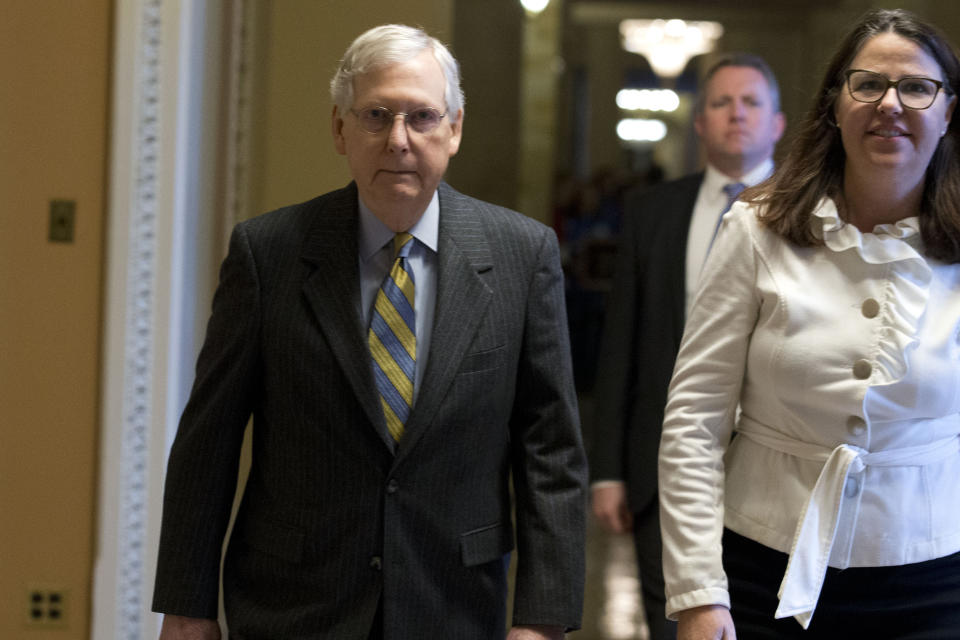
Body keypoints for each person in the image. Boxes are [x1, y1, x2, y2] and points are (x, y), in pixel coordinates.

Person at [151, 24, 587, 640]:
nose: (399, 140)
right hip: (293, 606)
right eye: (376, 115)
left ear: (455, 128)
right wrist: (187, 605)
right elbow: (208, 441)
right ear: (340, 129)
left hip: (455, 603)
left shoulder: (522, 253)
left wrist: (544, 619)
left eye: (422, 116)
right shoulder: (268, 254)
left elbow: (552, 451)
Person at [658, 8, 960, 639]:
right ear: (834, 105)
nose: (891, 104)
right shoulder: (756, 227)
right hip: (760, 565)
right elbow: (694, 420)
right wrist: (697, 592)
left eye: (916, 87)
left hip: (932, 576)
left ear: (948, 112)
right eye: (868, 84)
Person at [588, 53, 784, 639]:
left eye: (752, 103)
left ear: (777, 124)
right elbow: (622, 341)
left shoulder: (815, 214)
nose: (736, 116)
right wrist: (608, 471)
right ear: (699, 123)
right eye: (721, 103)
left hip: (774, 474)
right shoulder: (654, 211)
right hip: (660, 471)